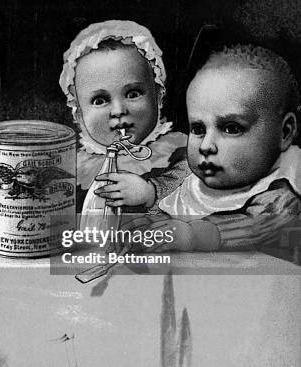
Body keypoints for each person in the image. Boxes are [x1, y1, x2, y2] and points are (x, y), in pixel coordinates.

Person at [128, 45, 300, 251]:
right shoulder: (190, 172)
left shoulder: (279, 199)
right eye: (198, 128)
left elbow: (253, 228)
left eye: (231, 128)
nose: (206, 146)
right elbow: (164, 189)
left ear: (285, 133)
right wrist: (147, 196)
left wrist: (190, 235)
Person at [59, 20, 190, 213]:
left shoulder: (178, 152)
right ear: (78, 115)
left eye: (133, 94)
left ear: (158, 97)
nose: (119, 110)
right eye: (100, 100)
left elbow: (199, 193)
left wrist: (151, 193)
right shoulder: (75, 168)